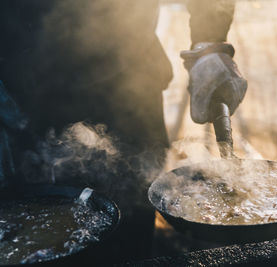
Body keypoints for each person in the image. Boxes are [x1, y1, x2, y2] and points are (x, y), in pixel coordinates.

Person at [0, 0, 247, 264]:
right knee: (31, 237)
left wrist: (209, 43)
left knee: (131, 238)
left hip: (131, 91)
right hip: (22, 101)